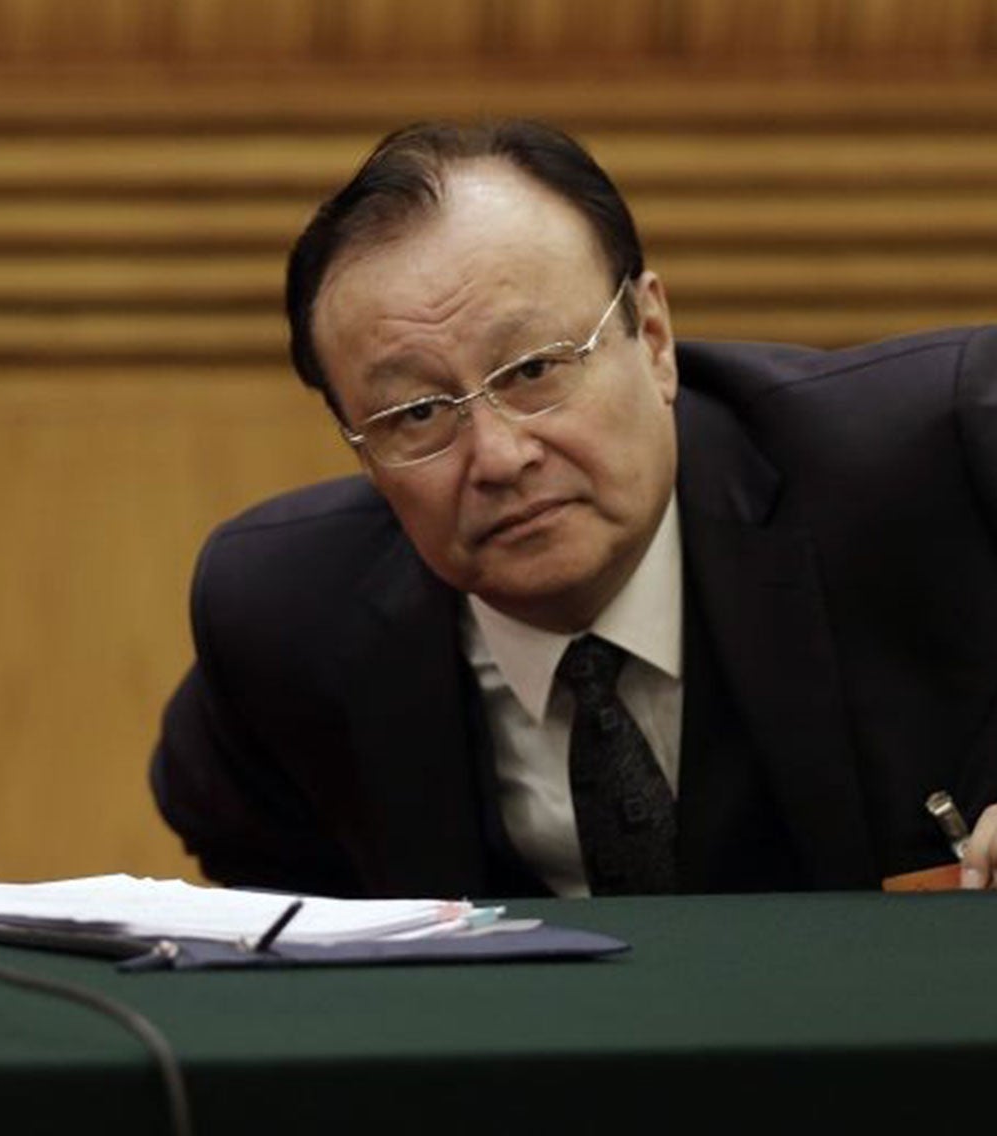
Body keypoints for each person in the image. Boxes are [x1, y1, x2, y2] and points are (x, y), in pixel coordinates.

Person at [152, 120, 997, 899]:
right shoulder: (284, 616)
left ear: (654, 338)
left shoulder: (935, 454)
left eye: (535, 371)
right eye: (416, 415)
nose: (499, 457)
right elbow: (262, 892)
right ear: (359, 448)